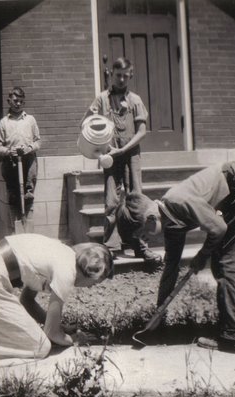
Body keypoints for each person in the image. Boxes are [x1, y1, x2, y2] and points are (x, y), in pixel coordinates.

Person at [116, 161, 235, 352]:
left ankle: (233, 338)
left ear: (150, 219)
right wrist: (160, 312)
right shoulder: (171, 225)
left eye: (143, 235)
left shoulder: (177, 201)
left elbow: (218, 228)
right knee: (222, 262)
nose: (145, 241)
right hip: (233, 195)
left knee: (226, 263)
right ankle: (233, 329)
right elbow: (171, 268)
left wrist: (202, 254)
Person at [82, 56, 161, 266]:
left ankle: (140, 246)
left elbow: (142, 131)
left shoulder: (135, 100)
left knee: (136, 201)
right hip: (110, 157)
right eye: (118, 75)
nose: (122, 80)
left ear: (131, 75)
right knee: (111, 202)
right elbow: (87, 123)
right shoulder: (101, 99)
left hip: (131, 155)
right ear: (111, 74)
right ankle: (111, 248)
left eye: (126, 76)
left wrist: (124, 148)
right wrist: (100, 147)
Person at [0, 234, 113, 362]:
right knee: (40, 347)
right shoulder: (67, 271)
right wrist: (74, 339)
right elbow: (52, 334)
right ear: (90, 272)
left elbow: (27, 301)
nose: (91, 287)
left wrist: (59, 326)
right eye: (95, 283)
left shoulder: (62, 254)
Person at [0, 86, 41, 229]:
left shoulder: (30, 120)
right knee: (14, 195)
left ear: (24, 102)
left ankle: (28, 226)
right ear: (9, 101)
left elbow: (38, 141)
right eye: (15, 100)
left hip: (28, 161)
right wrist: (9, 151)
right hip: (11, 163)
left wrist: (29, 148)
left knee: (28, 194)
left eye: (21, 101)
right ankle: (16, 229)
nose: (18, 104)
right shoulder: (4, 122)